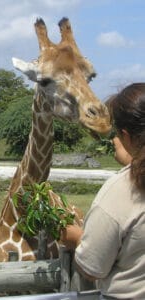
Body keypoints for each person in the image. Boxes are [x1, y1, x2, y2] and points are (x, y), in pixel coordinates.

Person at [60, 83, 145, 299]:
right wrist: (132, 162)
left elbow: (91, 268)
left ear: (125, 135)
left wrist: (76, 238)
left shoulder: (120, 191)